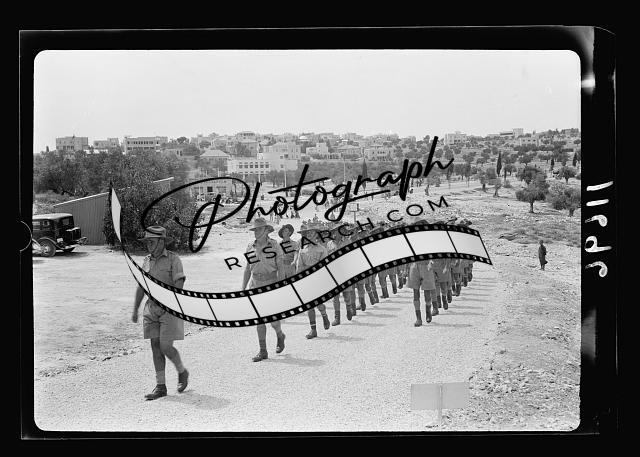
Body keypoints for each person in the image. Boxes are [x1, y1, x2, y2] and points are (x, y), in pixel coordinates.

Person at [131, 226, 189, 401]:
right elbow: (141, 286)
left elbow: (179, 283)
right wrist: (135, 309)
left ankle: (182, 371)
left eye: (152, 241)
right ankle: (161, 386)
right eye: (147, 242)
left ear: (162, 242)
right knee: (155, 346)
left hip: (169, 308)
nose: (148, 245)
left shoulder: (173, 259)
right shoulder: (146, 261)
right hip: (151, 308)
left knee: (165, 346)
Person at [242, 217, 286, 362]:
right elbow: (248, 269)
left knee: (273, 320)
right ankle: (263, 351)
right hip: (255, 285)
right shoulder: (250, 246)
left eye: (259, 229)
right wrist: (243, 287)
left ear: (266, 230)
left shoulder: (274, 245)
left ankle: (280, 335)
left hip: (270, 284)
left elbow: (281, 267)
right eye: (254, 229)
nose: (256, 232)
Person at [296, 223, 331, 339]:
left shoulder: (322, 249)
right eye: (308, 233)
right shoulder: (302, 250)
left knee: (318, 303)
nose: (310, 234)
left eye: (312, 232)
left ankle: (324, 316)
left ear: (316, 234)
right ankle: (313, 329)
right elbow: (299, 267)